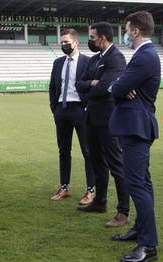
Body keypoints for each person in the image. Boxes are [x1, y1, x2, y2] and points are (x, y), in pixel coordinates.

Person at [108, 11, 161, 262]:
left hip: (136, 128)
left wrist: (116, 87)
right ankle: (141, 231)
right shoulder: (143, 56)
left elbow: (117, 88)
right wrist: (119, 86)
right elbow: (121, 87)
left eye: (127, 30)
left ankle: (148, 245)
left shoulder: (145, 57)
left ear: (136, 31)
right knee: (142, 183)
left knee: (136, 185)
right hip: (135, 126)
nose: (126, 34)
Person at [75, 22, 130, 228]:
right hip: (91, 119)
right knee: (97, 163)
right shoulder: (96, 59)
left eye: (92, 37)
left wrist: (92, 85)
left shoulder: (116, 58)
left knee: (116, 165)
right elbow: (79, 84)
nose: (89, 40)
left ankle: (123, 212)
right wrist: (91, 83)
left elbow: (104, 89)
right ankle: (100, 202)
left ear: (103, 38)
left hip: (109, 120)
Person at [48, 29, 95, 205]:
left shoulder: (88, 62)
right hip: (61, 110)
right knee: (63, 151)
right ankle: (64, 188)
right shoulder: (58, 62)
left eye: (66, 42)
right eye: (61, 42)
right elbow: (53, 86)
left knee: (88, 151)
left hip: (80, 110)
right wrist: (54, 107)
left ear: (76, 42)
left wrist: (87, 107)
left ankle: (91, 190)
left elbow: (92, 87)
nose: (63, 45)